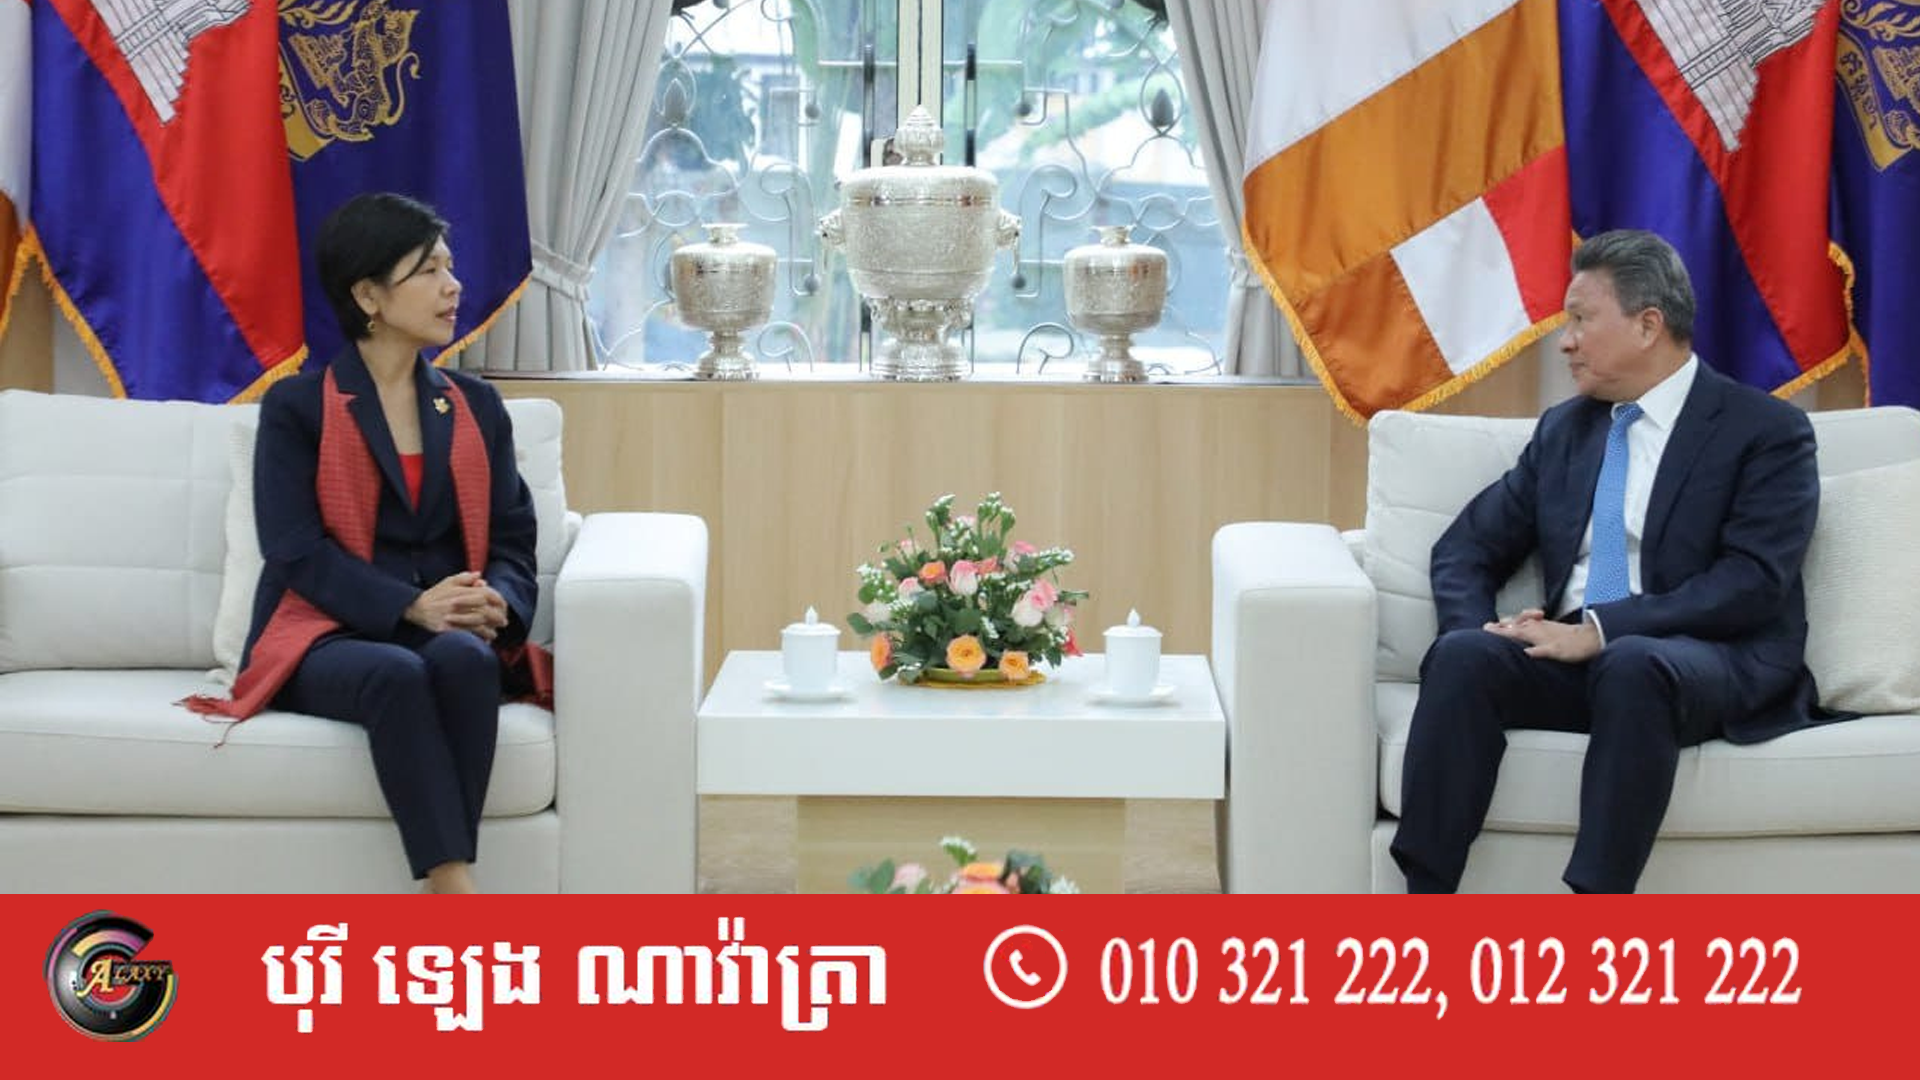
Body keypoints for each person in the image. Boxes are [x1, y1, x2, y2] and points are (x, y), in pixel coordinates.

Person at [1388, 229, 1828, 894]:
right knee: (1463, 656)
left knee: (1632, 663)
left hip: (1707, 657)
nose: (1565, 342)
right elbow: (1466, 548)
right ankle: (1424, 901)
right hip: (1580, 658)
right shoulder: (1566, 430)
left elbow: (1752, 582)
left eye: (1580, 320)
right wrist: (1484, 627)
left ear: (1648, 325)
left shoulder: (1766, 431)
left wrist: (1600, 630)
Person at [185, 193, 545, 894]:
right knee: (395, 674)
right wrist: (410, 606)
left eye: (451, 267)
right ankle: (455, 889)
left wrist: (497, 600)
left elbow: (512, 536)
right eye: (429, 271)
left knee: (468, 661)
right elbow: (293, 549)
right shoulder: (297, 407)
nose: (453, 286)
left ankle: (447, 887)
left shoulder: (475, 405)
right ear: (369, 296)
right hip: (323, 633)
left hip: (445, 627)